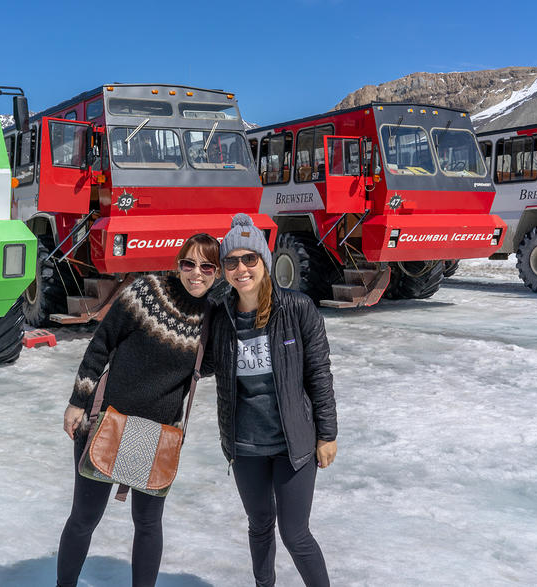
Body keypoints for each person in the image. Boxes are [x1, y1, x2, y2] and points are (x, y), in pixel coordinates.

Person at [56, 233, 221, 587]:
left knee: (147, 523)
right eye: (188, 263)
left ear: (217, 273)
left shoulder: (210, 317)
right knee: (84, 518)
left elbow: (208, 366)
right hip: (104, 422)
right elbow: (102, 343)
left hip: (155, 436)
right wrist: (77, 401)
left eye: (207, 266)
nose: (196, 273)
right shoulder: (146, 291)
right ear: (178, 264)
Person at [207, 213, 338, 587]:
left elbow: (319, 375)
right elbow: (197, 363)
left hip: (292, 443)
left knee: (295, 533)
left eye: (250, 259)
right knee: (260, 526)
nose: (241, 268)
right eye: (231, 262)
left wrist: (327, 434)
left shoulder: (297, 309)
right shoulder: (221, 318)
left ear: (264, 261)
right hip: (245, 445)